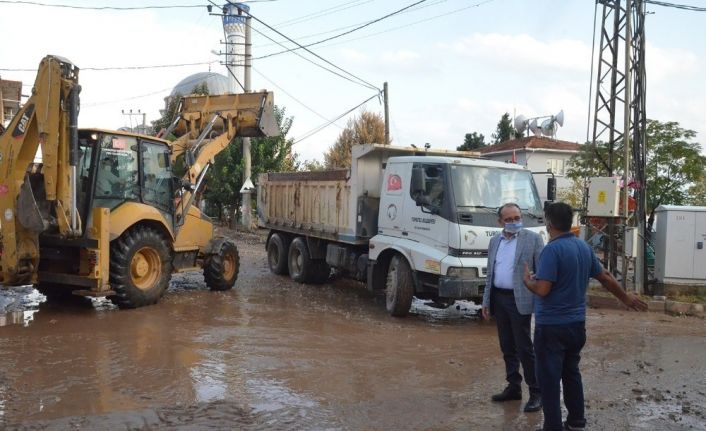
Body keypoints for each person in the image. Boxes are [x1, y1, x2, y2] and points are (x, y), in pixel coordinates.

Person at [523, 202, 648, 431]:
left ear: (549, 223)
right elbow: (607, 277)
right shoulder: (584, 248)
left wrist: (528, 281)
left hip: (551, 327)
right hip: (576, 326)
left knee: (549, 381)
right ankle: (576, 422)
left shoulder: (552, 250)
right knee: (571, 373)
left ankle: (552, 426)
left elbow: (543, 290)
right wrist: (625, 298)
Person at [482, 203, 544, 413]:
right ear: (500, 222)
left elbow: (542, 270)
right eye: (508, 219)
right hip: (499, 298)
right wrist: (486, 301)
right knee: (507, 346)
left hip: (520, 300)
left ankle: (536, 393)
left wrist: (533, 278)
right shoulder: (494, 241)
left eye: (517, 217)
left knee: (525, 347)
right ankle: (513, 387)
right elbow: (490, 273)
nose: (514, 222)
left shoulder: (532, 239)